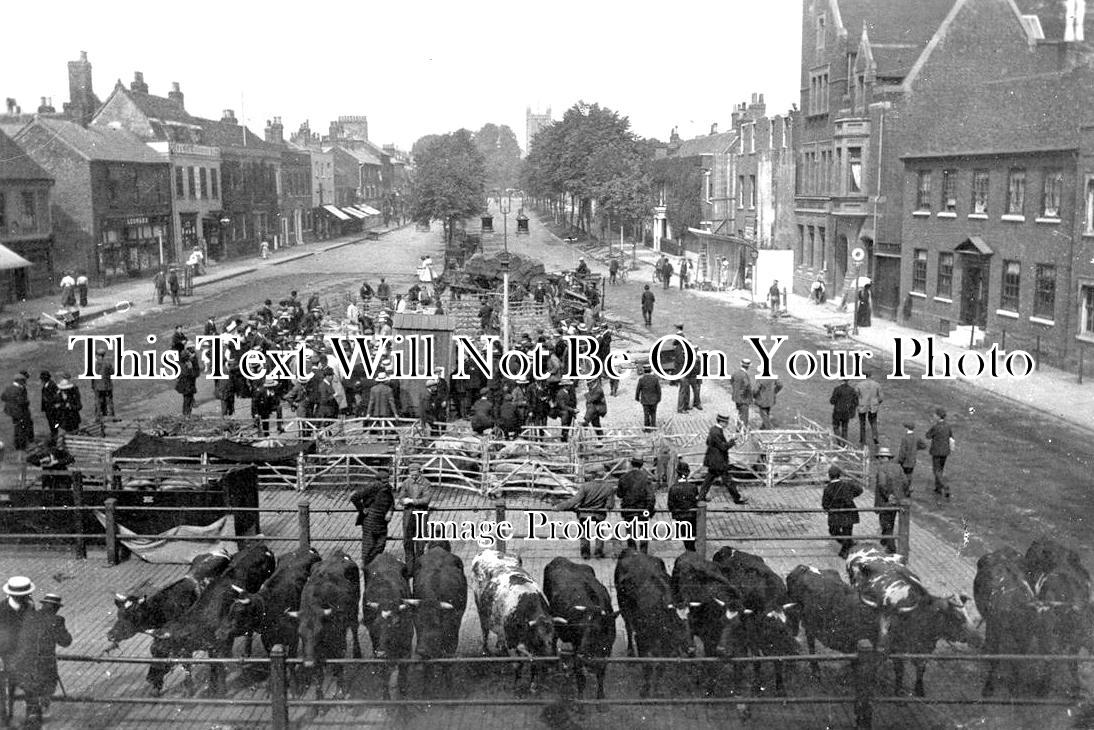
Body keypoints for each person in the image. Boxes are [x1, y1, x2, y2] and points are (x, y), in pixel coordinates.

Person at [556, 473, 615, 559]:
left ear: (592, 477)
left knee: (584, 532)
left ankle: (585, 553)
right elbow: (610, 505)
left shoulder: (585, 486)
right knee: (599, 532)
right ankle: (598, 552)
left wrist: (559, 507)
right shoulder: (608, 488)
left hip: (584, 513)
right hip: (599, 514)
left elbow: (575, 500)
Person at [698, 414, 748, 504]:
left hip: (713, 461)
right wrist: (732, 441)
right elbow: (723, 447)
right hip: (719, 461)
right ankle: (737, 498)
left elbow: (708, 442)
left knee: (708, 480)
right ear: (722, 422)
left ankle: (701, 497)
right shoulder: (717, 432)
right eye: (726, 422)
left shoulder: (713, 429)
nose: (727, 424)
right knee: (728, 480)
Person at [395, 463, 432, 573]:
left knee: (420, 543)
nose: (413, 477)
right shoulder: (406, 483)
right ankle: (410, 569)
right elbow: (400, 498)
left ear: (420, 472)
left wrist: (412, 501)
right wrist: (403, 501)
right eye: (411, 474)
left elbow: (426, 500)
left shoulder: (426, 484)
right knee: (407, 541)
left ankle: (419, 568)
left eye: (415, 475)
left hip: (420, 514)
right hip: (408, 515)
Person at [822, 464, 862, 558]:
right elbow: (860, 490)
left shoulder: (828, 488)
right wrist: (851, 497)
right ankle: (847, 545)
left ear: (829, 475)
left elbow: (825, 504)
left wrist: (829, 508)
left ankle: (845, 548)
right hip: (848, 512)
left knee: (833, 531)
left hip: (835, 514)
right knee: (847, 532)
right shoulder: (847, 484)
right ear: (839, 475)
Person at [351, 480, 394, 567]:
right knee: (368, 545)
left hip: (382, 522)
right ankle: (366, 566)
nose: (385, 483)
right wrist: (362, 509)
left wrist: (390, 511)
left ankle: (374, 565)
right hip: (369, 521)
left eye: (387, 480)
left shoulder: (388, 490)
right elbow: (354, 497)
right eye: (384, 481)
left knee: (380, 545)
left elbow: (392, 502)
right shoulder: (371, 488)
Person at [616, 457, 655, 553]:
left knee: (630, 533)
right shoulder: (645, 478)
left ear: (631, 464)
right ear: (641, 465)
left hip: (628, 510)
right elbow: (651, 496)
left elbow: (619, 494)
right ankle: (643, 553)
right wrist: (649, 509)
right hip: (642, 510)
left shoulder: (623, 477)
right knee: (644, 532)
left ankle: (632, 552)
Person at [873, 447, 903, 553]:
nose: (879, 460)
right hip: (896, 501)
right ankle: (884, 540)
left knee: (885, 523)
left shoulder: (881, 469)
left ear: (883, 458)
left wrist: (887, 495)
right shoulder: (898, 467)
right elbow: (905, 482)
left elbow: (881, 484)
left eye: (880, 458)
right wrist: (901, 495)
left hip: (885, 501)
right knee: (891, 521)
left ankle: (891, 547)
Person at [2, 372, 34, 457]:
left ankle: (17, 445)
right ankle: (22, 446)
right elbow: (22, 402)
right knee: (21, 429)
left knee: (17, 427)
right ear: (20, 381)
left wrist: (11, 403)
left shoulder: (8, 388)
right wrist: (27, 402)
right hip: (20, 413)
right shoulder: (19, 390)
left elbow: (3, 397)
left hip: (12, 413)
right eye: (23, 381)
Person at [925, 408, 954, 499]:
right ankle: (938, 488)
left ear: (938, 416)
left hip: (936, 451)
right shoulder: (948, 426)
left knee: (936, 471)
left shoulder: (936, 427)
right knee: (940, 469)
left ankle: (945, 486)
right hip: (945, 452)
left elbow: (928, 436)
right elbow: (951, 436)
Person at [667, 475, 700, 552]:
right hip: (691, 515)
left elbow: (670, 505)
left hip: (680, 516)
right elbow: (696, 500)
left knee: (685, 536)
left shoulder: (673, 488)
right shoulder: (693, 487)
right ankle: (692, 551)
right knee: (693, 535)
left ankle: (689, 551)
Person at [896, 421, 928, 497]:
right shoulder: (916, 437)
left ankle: (904, 489)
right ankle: (908, 488)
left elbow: (903, 451)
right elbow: (924, 445)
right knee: (909, 475)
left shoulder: (905, 438)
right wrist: (916, 448)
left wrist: (899, 460)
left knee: (903, 475)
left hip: (905, 461)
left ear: (906, 428)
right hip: (912, 460)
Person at [854, 370, 882, 446]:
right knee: (873, 422)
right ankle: (875, 437)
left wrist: (858, 403)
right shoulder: (877, 384)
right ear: (871, 375)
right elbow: (881, 398)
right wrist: (877, 403)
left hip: (862, 405)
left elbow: (855, 396)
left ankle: (863, 440)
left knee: (862, 423)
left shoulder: (859, 385)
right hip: (873, 406)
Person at [729, 358, 754, 429]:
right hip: (744, 399)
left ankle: (738, 427)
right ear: (748, 367)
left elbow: (731, 381)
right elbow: (747, 386)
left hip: (736, 397)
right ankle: (743, 430)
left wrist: (736, 390)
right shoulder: (745, 375)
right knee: (744, 415)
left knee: (739, 413)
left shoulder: (735, 373)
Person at [635, 364, 661, 430]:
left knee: (646, 414)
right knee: (653, 413)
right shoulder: (655, 379)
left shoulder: (641, 379)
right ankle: (653, 426)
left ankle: (647, 428)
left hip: (645, 400)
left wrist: (637, 398)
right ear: (650, 370)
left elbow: (638, 390)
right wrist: (659, 398)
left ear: (644, 371)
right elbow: (659, 390)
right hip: (654, 400)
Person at [176, 345, 200, 416]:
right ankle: (186, 415)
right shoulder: (187, 365)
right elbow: (192, 374)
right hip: (187, 386)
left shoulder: (181, 363)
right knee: (187, 401)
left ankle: (186, 414)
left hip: (185, 385)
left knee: (187, 400)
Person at [92, 351, 114, 421]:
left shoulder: (94, 365)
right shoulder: (108, 363)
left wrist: (92, 385)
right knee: (109, 401)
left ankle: (98, 416)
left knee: (98, 401)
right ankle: (112, 415)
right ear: (103, 355)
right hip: (107, 386)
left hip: (97, 386)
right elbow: (112, 372)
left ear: (97, 355)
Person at [39, 372, 59, 437]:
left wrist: (49, 401)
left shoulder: (52, 385)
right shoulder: (46, 385)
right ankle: (53, 432)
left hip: (52, 408)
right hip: (48, 407)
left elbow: (56, 396)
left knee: (54, 422)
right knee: (50, 421)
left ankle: (55, 433)